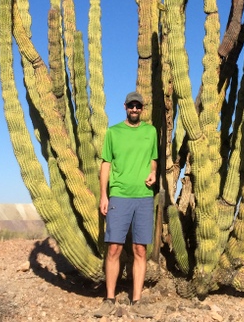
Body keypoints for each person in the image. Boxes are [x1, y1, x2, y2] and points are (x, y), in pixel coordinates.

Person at [93, 91, 158, 319]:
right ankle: (109, 298)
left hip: (143, 196)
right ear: (124, 107)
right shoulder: (113, 132)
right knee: (114, 248)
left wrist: (153, 172)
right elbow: (106, 165)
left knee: (140, 249)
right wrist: (104, 195)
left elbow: (153, 160)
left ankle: (137, 300)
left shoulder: (150, 132)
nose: (134, 109)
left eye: (138, 106)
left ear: (142, 109)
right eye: (131, 106)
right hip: (119, 196)